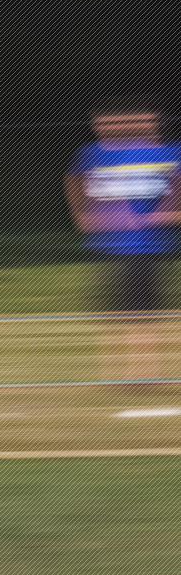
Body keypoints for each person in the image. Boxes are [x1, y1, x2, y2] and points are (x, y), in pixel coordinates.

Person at [65, 101, 181, 383]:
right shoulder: (93, 153)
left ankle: (142, 375)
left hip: (146, 247)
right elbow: (73, 179)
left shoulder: (170, 152)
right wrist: (81, 215)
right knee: (113, 313)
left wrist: (159, 216)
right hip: (108, 248)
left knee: (143, 314)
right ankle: (116, 374)